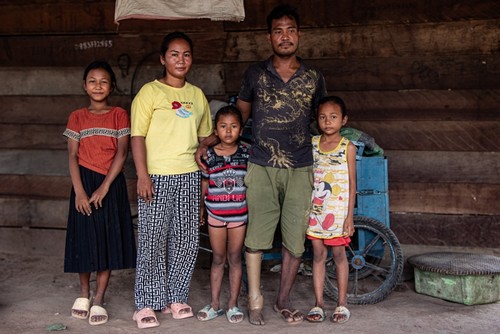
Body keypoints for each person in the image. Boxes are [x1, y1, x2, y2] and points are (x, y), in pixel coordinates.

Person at [196, 4, 327, 326]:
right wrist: (210, 140)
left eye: (291, 29)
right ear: (269, 37)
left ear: (298, 34)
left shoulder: (313, 77)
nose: (285, 36)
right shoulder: (256, 73)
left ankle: (282, 300)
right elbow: (237, 116)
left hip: (300, 166)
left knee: (295, 240)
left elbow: (324, 121)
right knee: (256, 237)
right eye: (278, 30)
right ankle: (255, 299)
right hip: (260, 165)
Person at [131, 31, 213, 329]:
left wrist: (206, 144)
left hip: (189, 176)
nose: (181, 60)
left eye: (187, 54)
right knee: (152, 239)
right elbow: (137, 136)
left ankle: (176, 297)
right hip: (155, 176)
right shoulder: (149, 93)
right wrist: (142, 175)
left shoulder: (196, 95)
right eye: (175, 54)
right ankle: (146, 303)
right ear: (163, 58)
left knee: (186, 239)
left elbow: (207, 134)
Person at [63, 60, 136, 326]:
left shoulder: (119, 114)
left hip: (111, 182)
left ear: (112, 86)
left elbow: (122, 152)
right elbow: (72, 155)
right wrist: (80, 192)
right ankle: (84, 293)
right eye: (92, 81)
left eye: (104, 81)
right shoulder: (77, 116)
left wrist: (105, 187)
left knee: (106, 239)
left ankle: (100, 298)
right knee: (84, 238)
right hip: (83, 180)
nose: (98, 86)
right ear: (85, 86)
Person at [305, 96, 356, 324]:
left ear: (343, 120)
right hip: (316, 213)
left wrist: (349, 217)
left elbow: (353, 185)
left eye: (333, 117)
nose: (328, 122)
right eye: (323, 117)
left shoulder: (348, 148)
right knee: (318, 255)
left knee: (338, 256)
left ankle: (341, 304)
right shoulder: (312, 144)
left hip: (337, 215)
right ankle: (318, 304)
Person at [196, 105, 249, 324]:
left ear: (241, 130)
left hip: (238, 215)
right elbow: (205, 183)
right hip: (215, 213)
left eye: (234, 126)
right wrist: (201, 208)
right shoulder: (208, 155)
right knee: (218, 259)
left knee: (235, 258)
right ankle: (215, 304)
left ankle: (232, 304)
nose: (228, 131)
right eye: (223, 126)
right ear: (215, 130)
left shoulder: (247, 153)